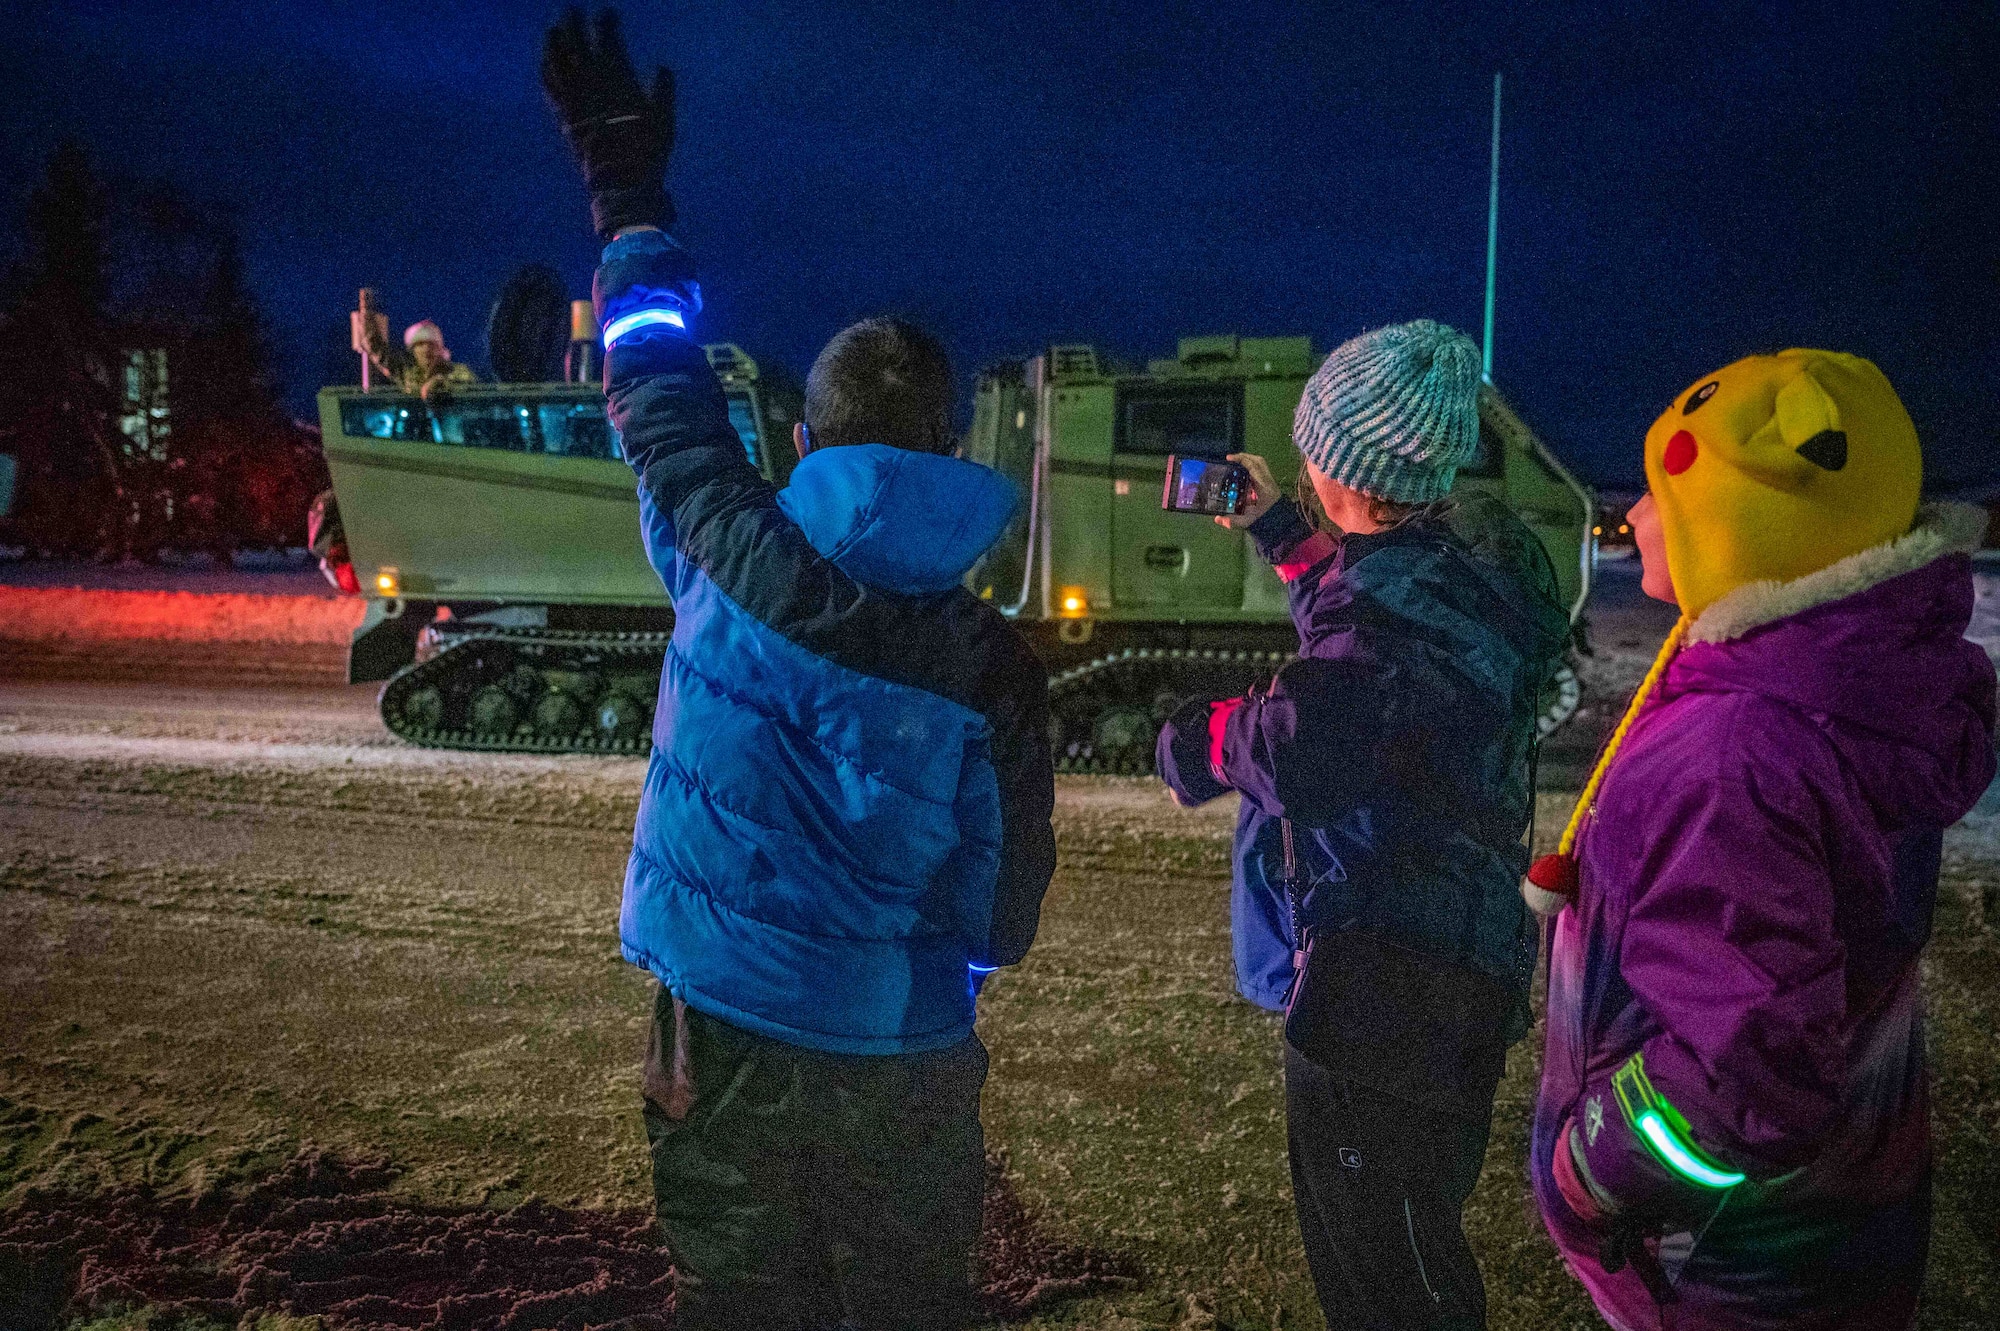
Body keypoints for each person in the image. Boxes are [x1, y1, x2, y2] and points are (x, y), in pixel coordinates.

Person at [540, 10, 1056, 1329]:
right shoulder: (991, 665)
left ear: (814, 434)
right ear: (944, 444)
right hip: (903, 1054)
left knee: (741, 1297)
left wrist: (626, 185)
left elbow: (652, 379)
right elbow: (1001, 913)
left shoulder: (729, 546)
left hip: (717, 1036)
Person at [1524, 350, 1994, 1331]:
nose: (1637, 518)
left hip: (1727, 1256)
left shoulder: (1731, 753)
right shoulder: (1855, 689)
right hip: (1840, 1202)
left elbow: (1743, 1075)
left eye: (1662, 493)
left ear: (1755, 529)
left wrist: (1586, 1169)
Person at [1158, 320, 1571, 1330]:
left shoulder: (1387, 620)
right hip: (1455, 956)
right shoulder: (1469, 572)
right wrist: (1279, 535)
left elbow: (1307, 743)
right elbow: (1365, 628)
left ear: (1338, 464)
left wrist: (1203, 737)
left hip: (1383, 984)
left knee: (1383, 1266)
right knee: (1413, 1227)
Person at [363, 311, 477, 400]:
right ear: (413, 350)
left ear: (440, 349)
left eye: (431, 344)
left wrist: (439, 384)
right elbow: (377, 350)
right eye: (420, 344)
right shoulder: (407, 372)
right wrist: (368, 314)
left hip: (450, 425)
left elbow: (471, 390)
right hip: (417, 426)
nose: (426, 349)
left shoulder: (458, 371)